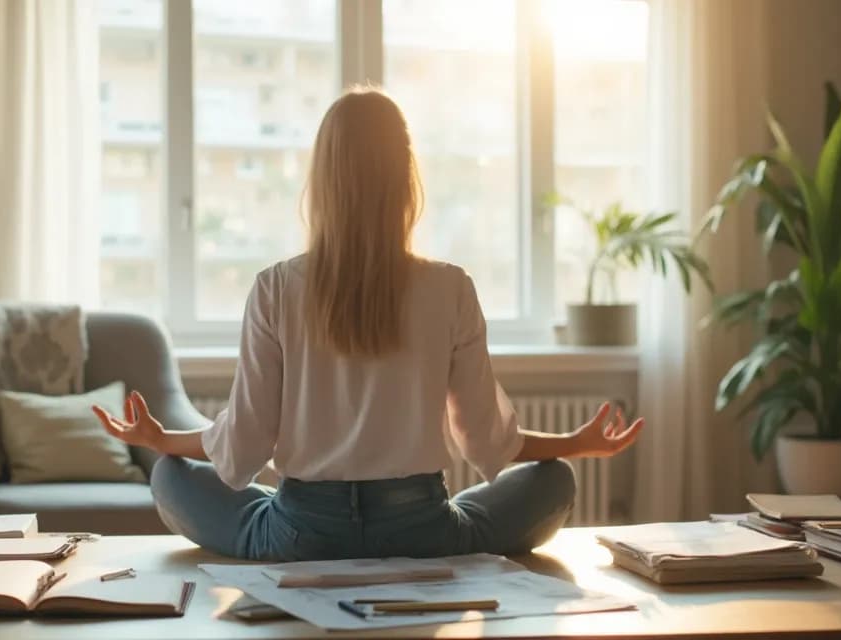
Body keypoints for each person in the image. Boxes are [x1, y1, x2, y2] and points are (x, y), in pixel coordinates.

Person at [93, 87, 643, 562]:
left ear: (321, 179)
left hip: (302, 533)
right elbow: (485, 439)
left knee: (167, 475)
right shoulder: (450, 287)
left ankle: (275, 524)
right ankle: (451, 538)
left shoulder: (275, 288)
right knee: (556, 480)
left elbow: (244, 445)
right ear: (406, 177)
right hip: (423, 531)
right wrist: (573, 444)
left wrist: (160, 439)